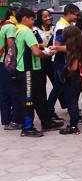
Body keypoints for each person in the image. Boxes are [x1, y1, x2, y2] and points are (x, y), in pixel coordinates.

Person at [14, 8, 58, 137]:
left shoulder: (18, 30)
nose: (34, 21)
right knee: (28, 100)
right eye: (32, 19)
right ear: (24, 19)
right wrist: (47, 54)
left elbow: (36, 46)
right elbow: (36, 52)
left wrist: (42, 48)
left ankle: (46, 122)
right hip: (28, 71)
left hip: (34, 69)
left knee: (39, 97)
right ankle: (27, 128)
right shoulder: (25, 31)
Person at [54, 26, 82, 135]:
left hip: (76, 78)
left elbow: (73, 67)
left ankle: (73, 126)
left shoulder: (74, 49)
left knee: (72, 101)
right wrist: (56, 48)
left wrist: (66, 71)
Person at [47, 4, 80, 121]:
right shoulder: (62, 27)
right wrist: (76, 47)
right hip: (61, 62)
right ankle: (73, 116)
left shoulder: (66, 25)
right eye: (76, 15)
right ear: (70, 13)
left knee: (57, 88)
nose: (77, 17)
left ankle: (48, 111)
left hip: (61, 61)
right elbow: (57, 46)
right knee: (68, 89)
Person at [0, 2, 22, 130]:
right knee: (14, 92)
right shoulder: (11, 27)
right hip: (7, 64)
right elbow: (11, 47)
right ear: (15, 13)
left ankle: (6, 121)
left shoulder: (4, 23)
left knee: (4, 93)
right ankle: (15, 121)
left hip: (1, 63)